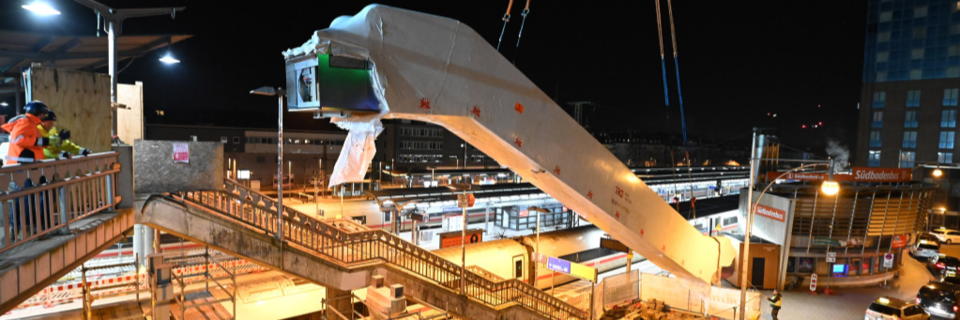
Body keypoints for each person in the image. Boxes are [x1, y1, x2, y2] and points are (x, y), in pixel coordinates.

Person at [2, 101, 58, 165]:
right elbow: (17, 139)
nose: (44, 116)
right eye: (43, 114)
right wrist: (39, 141)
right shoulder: (26, 122)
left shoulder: (32, 124)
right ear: (40, 114)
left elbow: (35, 143)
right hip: (21, 166)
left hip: (27, 165)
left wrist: (47, 141)